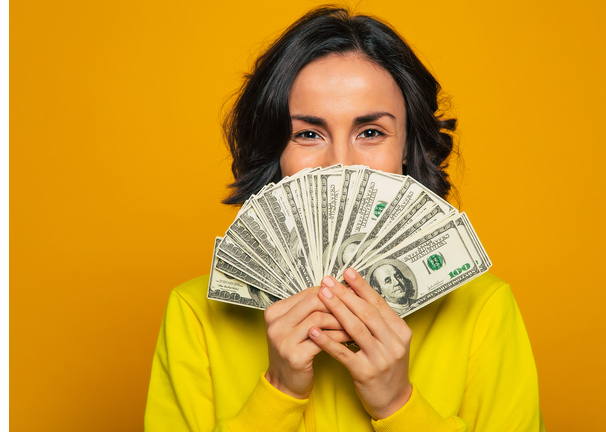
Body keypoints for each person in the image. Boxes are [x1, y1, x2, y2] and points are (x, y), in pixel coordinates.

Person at [145, 6, 545, 431]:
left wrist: (398, 404)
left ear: (407, 149)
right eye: (308, 134)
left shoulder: (481, 309)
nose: (340, 164)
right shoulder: (196, 315)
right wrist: (278, 392)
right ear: (274, 151)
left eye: (370, 132)